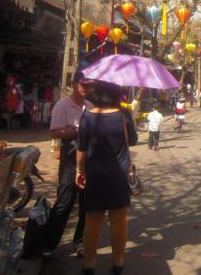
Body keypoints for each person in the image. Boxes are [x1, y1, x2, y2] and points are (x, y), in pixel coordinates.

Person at [76, 80, 137, 275]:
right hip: (119, 174)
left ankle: (89, 264)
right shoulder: (123, 115)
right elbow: (133, 140)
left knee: (92, 220)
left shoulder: (87, 117)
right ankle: (118, 262)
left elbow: (82, 149)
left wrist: (79, 171)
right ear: (117, 93)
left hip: (95, 174)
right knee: (118, 220)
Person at [42, 71, 91, 259]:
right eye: (83, 84)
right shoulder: (62, 105)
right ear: (74, 83)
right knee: (64, 202)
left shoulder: (90, 106)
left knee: (86, 205)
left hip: (88, 160)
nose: (87, 88)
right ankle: (49, 243)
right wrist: (72, 132)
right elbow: (53, 132)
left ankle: (80, 242)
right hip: (70, 158)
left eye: (89, 85)